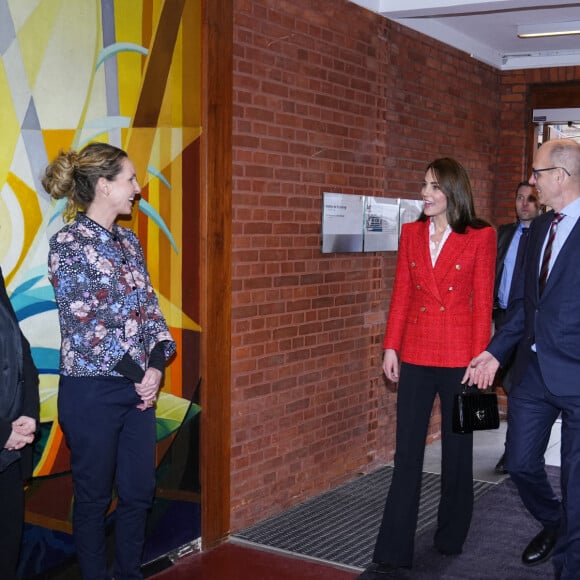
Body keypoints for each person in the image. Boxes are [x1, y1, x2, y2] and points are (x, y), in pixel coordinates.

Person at [357, 158, 496, 580]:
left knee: (459, 452)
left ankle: (451, 536)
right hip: (415, 355)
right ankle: (394, 549)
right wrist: (390, 347)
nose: (425, 193)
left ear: (453, 191)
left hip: (462, 362)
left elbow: (482, 302)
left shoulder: (481, 235)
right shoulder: (411, 233)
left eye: (433, 187)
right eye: (424, 185)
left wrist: (479, 359)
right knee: (407, 455)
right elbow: (401, 293)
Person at [43, 142, 176, 580]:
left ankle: (128, 574)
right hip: (93, 392)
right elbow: (85, 328)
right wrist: (143, 376)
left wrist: (156, 365)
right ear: (104, 186)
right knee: (95, 498)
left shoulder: (129, 241)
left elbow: (151, 313)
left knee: (139, 493)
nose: (138, 189)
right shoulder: (68, 243)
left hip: (139, 389)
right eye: (130, 180)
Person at [464, 138, 580, 579]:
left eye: (537, 173)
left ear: (560, 177)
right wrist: (495, 352)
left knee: (576, 480)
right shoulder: (537, 232)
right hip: (533, 374)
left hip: (577, 377)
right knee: (521, 462)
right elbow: (522, 307)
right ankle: (555, 523)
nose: (531, 182)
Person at [492, 181, 540, 474]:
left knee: (518, 386)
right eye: (520, 198)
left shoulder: (544, 236)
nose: (524, 204)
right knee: (503, 383)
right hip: (501, 317)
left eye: (530, 199)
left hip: (530, 323)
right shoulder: (503, 234)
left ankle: (513, 453)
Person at [0, 266, 40, 580]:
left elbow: (19, 346)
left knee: (8, 550)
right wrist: (3, 433)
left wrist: (28, 413)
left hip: (8, 456)